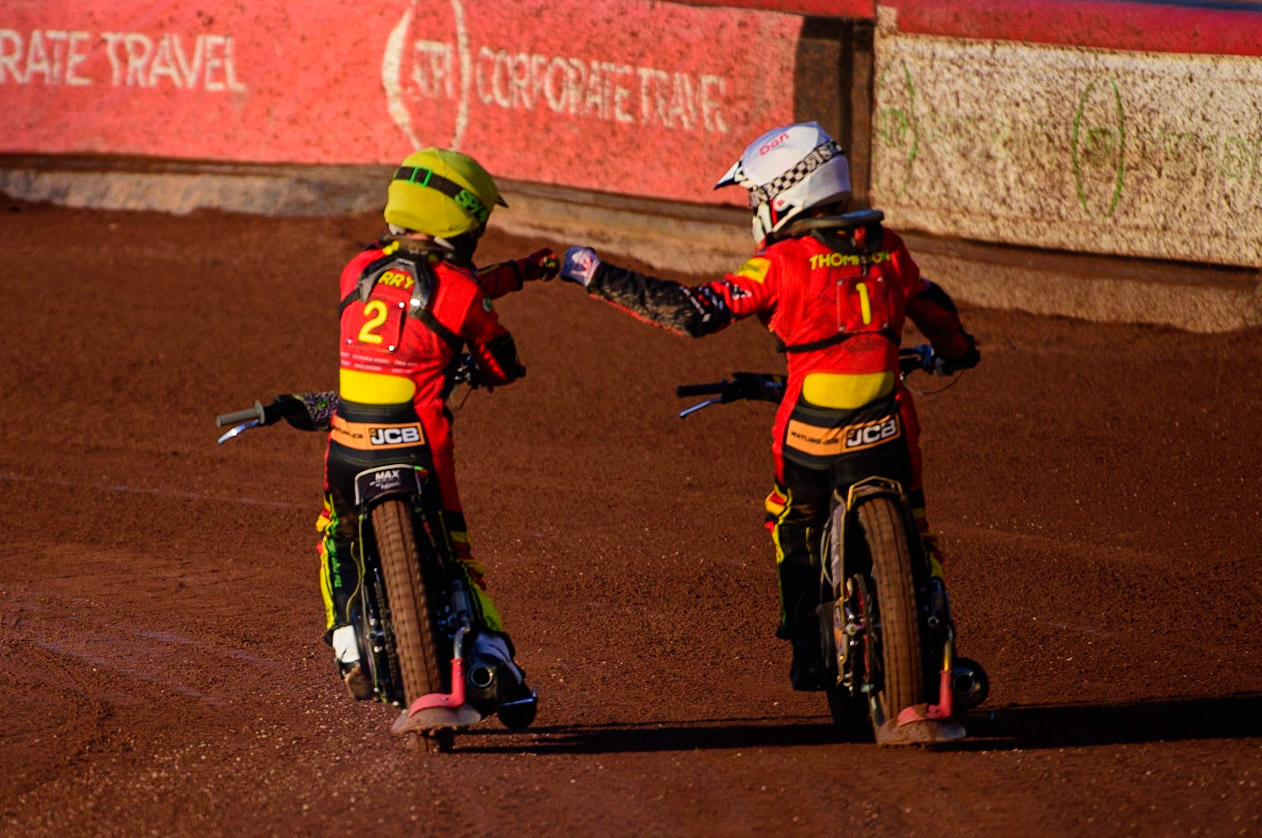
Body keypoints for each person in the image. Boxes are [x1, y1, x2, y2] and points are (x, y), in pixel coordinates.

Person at [557, 122, 979, 691]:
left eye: (758, 196)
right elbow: (934, 306)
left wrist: (595, 275)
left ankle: (809, 647)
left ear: (784, 193)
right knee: (918, 522)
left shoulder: (780, 263)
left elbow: (693, 311)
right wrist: (955, 353)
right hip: (888, 429)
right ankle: (941, 646)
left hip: (810, 433)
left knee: (792, 519)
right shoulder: (888, 250)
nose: (756, 208)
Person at [318, 148, 558, 700]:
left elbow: (420, 283)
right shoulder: (461, 291)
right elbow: (494, 355)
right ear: (464, 223)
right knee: (458, 556)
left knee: (333, 536)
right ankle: (494, 655)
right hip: (423, 447)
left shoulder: (356, 270)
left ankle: (348, 645)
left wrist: (518, 272)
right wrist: (498, 361)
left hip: (349, 442)